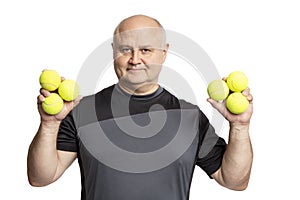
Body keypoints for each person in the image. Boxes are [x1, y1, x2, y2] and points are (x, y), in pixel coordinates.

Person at [27, 14, 253, 200]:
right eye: (126, 49)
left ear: (163, 53)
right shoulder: (82, 111)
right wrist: (49, 125)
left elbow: (234, 181)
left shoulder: (190, 117)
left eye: (146, 50)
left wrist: (240, 127)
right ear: (114, 51)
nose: (135, 59)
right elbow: (41, 178)